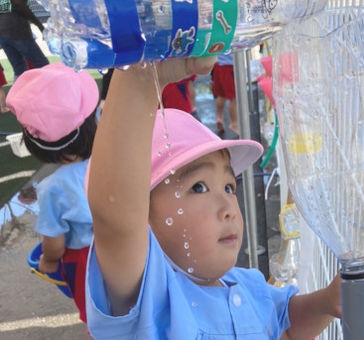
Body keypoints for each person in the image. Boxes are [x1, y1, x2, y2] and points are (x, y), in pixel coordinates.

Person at [85, 57, 342, 339]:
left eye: (229, 187)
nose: (229, 207)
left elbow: (287, 326)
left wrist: (326, 302)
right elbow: (116, 216)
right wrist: (141, 77)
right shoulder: (151, 300)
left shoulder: (248, 284)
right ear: (143, 214)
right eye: (199, 187)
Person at [6, 62, 99, 323]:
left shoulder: (53, 188)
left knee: (96, 313)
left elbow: (55, 242)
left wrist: (48, 260)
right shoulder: (111, 160)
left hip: (85, 261)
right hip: (129, 244)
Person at [0, 0, 49, 79]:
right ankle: (51, 89)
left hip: (3, 33)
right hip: (17, 31)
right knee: (43, 65)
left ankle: (20, 90)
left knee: (19, 70)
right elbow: (20, 5)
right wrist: (40, 26)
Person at [212, 52, 238, 135]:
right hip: (229, 66)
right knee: (234, 98)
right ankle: (234, 123)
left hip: (218, 65)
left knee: (221, 95)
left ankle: (219, 117)